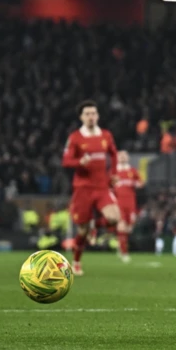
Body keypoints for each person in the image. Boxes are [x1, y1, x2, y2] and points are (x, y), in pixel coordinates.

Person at [62, 100, 120, 275]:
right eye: (87, 114)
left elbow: (114, 154)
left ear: (98, 116)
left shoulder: (106, 135)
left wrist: (114, 174)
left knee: (114, 218)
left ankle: (96, 225)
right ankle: (77, 262)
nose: (91, 117)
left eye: (93, 113)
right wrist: (79, 161)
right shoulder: (75, 138)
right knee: (82, 231)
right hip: (83, 189)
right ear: (81, 117)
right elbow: (66, 161)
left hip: (101, 187)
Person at [113, 150, 144, 263]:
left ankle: (121, 246)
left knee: (129, 229)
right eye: (120, 155)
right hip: (119, 203)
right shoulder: (114, 171)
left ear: (128, 158)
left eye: (124, 155)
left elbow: (141, 183)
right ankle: (124, 252)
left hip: (131, 203)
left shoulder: (132, 171)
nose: (122, 157)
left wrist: (136, 184)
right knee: (121, 227)